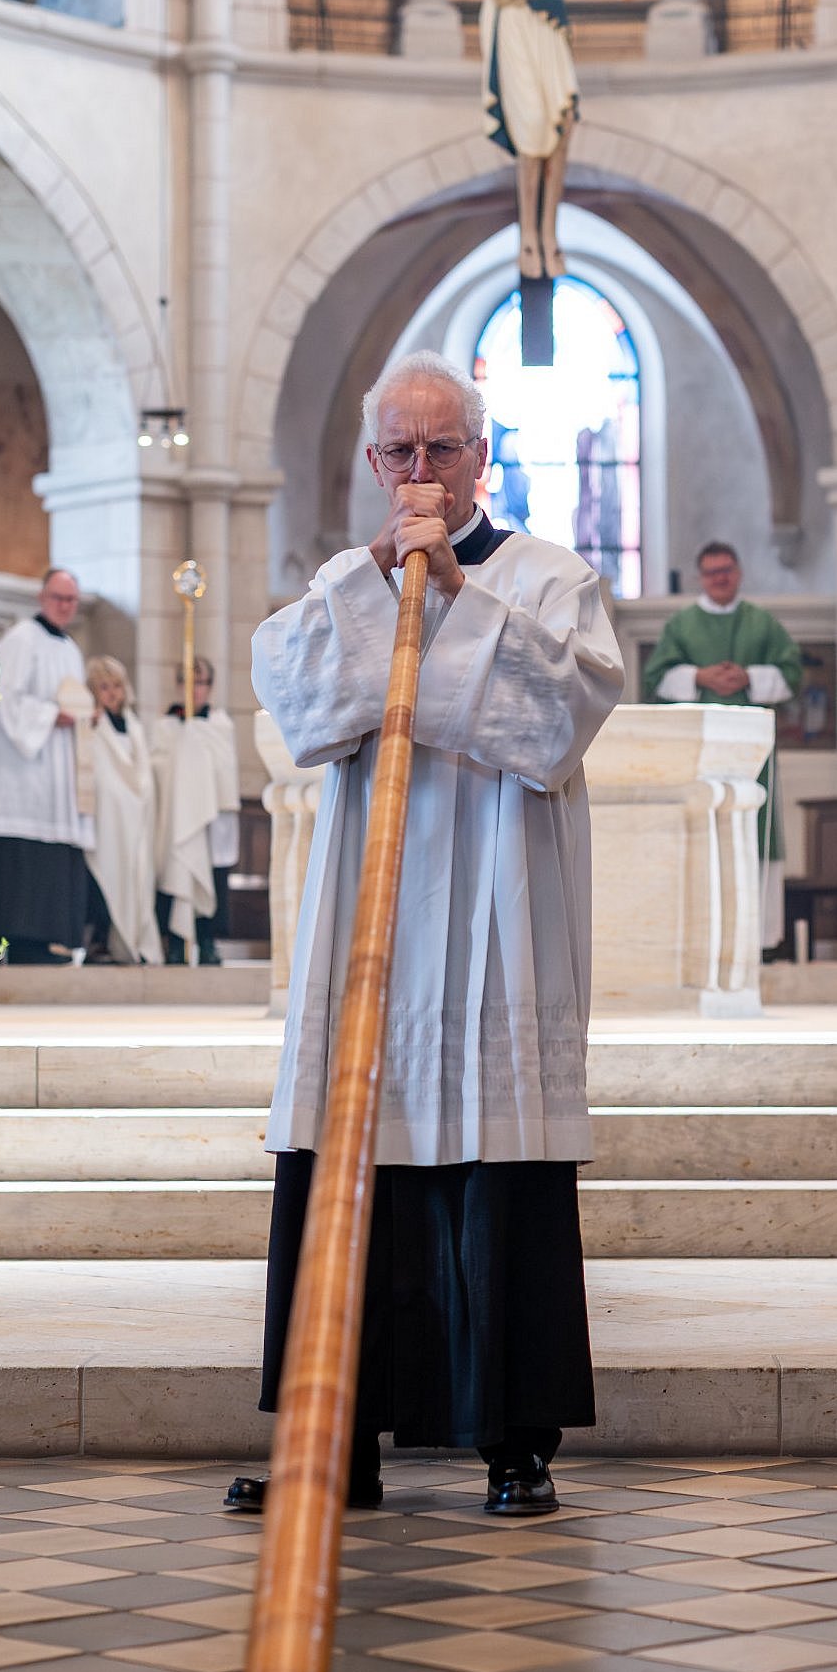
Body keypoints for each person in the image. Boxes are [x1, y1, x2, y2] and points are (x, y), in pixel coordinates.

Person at [227, 348, 622, 1520]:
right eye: (398, 450)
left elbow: (558, 716)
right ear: (370, 460)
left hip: (501, 920)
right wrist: (384, 590)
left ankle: (515, 1443)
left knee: (497, 1169)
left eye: (441, 448)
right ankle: (330, 1442)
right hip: (375, 928)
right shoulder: (348, 580)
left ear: (482, 456)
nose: (419, 470)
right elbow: (299, 701)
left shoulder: (549, 580)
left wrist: (453, 594)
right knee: (350, 1158)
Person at [643, 542, 804, 950]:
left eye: (727, 570)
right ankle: (701, 935)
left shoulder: (761, 623)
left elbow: (792, 674)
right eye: (712, 572)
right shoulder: (682, 625)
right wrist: (700, 677)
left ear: (739, 573)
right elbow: (656, 677)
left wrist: (748, 677)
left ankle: (758, 940)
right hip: (699, 747)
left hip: (755, 753)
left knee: (757, 827)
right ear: (701, 576)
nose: (720, 578)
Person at [437, 0, 601, 279]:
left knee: (561, 128)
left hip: (548, 17)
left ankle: (550, 232)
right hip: (512, 15)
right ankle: (528, 235)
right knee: (529, 129)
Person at [0, 568, 92, 965]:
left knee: (53, 860)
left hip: (57, 775)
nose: (65, 606)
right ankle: (18, 944)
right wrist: (48, 716)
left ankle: (47, 943)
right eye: (59, 597)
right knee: (22, 861)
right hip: (21, 778)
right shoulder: (21, 639)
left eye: (72, 600)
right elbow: (0, 697)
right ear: (43, 597)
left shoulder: (71, 649)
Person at [152, 657, 241, 967]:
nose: (194, 690)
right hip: (177, 817)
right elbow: (158, 770)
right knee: (178, 871)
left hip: (210, 816)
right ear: (178, 686)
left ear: (210, 687)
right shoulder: (165, 727)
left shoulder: (220, 724)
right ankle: (175, 942)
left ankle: (206, 941)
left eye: (201, 683)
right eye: (188, 682)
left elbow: (224, 769)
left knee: (211, 880)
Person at [83, 656, 162, 965]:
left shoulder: (133, 725)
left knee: (136, 877)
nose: (112, 693)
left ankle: (132, 943)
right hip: (109, 816)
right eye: (104, 687)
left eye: (116, 686)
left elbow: (141, 771)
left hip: (136, 815)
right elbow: (98, 768)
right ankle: (98, 941)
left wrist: (138, 794)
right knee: (106, 874)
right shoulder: (93, 725)